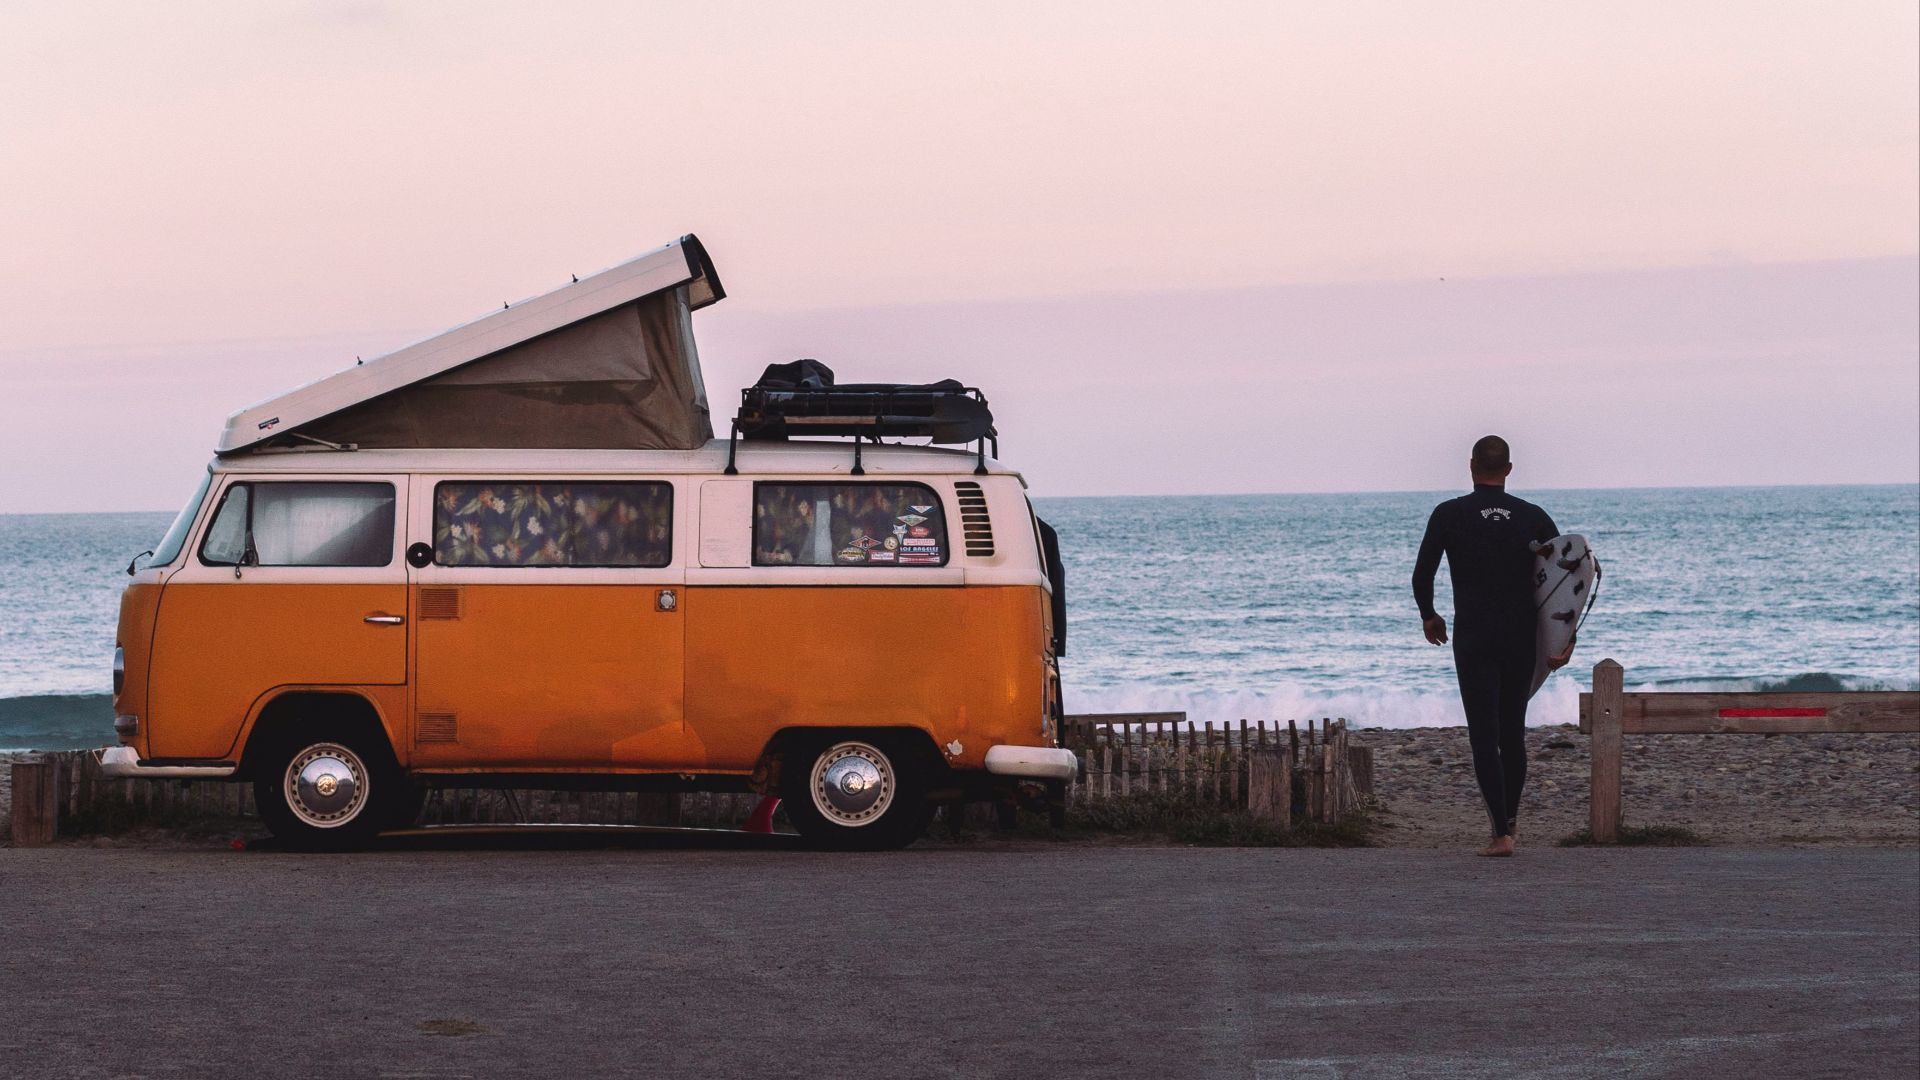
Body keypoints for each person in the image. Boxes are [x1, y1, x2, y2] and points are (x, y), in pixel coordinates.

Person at [1411, 435, 1569, 856]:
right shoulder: (1533, 517)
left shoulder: (1449, 514)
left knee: (1484, 734)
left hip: (1474, 637)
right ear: (1509, 469)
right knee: (1512, 732)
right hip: (1520, 637)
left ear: (1471, 465)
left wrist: (1429, 614)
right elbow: (1565, 584)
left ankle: (1500, 833)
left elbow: (1422, 573)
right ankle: (1511, 824)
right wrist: (1565, 640)